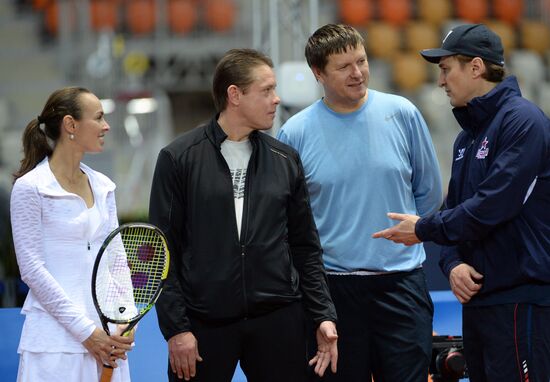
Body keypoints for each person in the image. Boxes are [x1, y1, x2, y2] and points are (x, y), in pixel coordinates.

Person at [373, 23, 550, 381]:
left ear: (476, 67)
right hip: (479, 300)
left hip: (519, 298)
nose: (440, 81)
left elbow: (492, 206)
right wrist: (452, 264)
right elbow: (454, 211)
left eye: (445, 69)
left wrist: (422, 229)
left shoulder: (524, 122)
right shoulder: (467, 138)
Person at [148, 48, 338, 382]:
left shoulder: (285, 159)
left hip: (278, 320)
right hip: (203, 325)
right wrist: (176, 329)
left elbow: (306, 247)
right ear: (234, 95)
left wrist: (323, 314)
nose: (277, 99)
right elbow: (162, 254)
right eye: (266, 90)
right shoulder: (178, 159)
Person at [277, 24, 443, 382]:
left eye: (362, 61)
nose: (358, 73)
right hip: (332, 293)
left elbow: (429, 193)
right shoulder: (295, 133)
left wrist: (413, 232)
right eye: (344, 66)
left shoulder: (403, 113)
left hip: (403, 285)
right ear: (318, 73)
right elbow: (288, 221)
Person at [10, 87, 134, 382]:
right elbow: (32, 270)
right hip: (54, 347)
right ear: (71, 125)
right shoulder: (30, 188)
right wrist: (85, 331)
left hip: (108, 344)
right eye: (99, 118)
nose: (106, 126)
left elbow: (116, 258)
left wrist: (126, 319)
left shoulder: (104, 185)